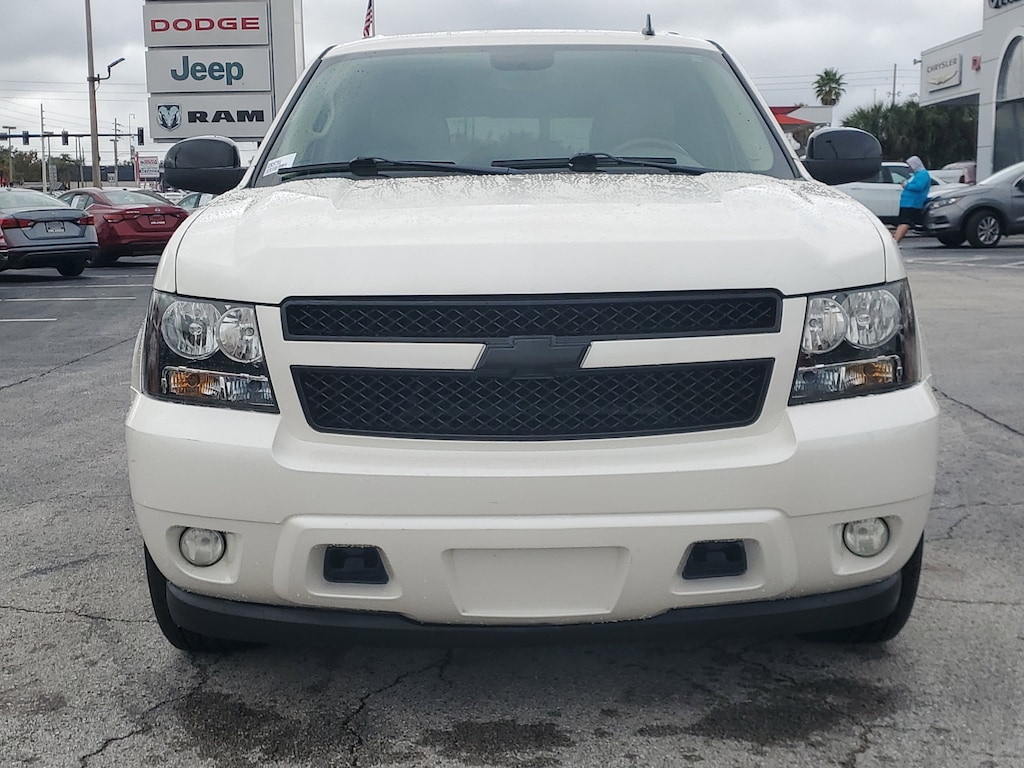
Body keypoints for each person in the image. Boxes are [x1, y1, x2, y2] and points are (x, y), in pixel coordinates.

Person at [894, 156, 931, 243]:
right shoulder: (916, 175)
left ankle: (896, 240)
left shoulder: (923, 174)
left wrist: (906, 185)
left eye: (910, 165)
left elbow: (919, 187)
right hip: (907, 203)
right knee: (902, 222)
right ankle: (896, 239)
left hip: (912, 203)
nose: (909, 167)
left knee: (905, 223)